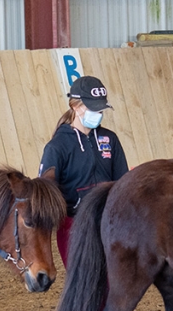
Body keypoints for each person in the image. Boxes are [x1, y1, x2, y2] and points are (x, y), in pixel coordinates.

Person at [38, 75, 129, 267]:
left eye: (100, 109)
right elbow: (46, 192)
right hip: (73, 225)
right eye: (92, 108)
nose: (98, 114)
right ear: (75, 107)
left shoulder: (110, 140)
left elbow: (122, 181)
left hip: (107, 223)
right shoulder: (57, 147)